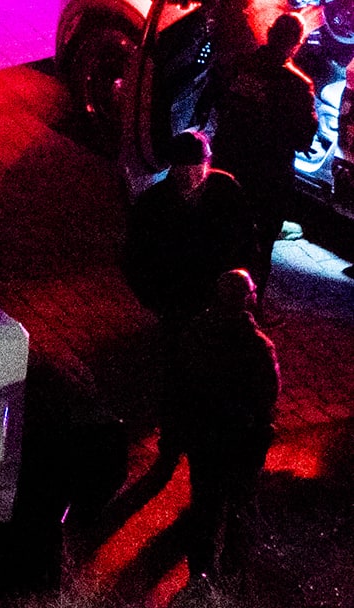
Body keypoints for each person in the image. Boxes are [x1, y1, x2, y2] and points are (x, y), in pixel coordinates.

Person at [122, 131, 259, 479]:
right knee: (176, 375)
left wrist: (241, 289)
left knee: (215, 376)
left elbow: (247, 241)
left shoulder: (226, 191)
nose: (190, 174)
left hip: (218, 304)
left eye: (196, 166)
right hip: (179, 305)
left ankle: (203, 442)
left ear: (207, 164)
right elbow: (135, 259)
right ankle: (170, 445)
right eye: (183, 167)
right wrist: (156, 299)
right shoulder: (153, 205)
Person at [172, 267, 280, 578]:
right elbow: (268, 396)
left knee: (204, 504)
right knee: (238, 507)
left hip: (204, 438)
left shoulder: (196, 332)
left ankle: (199, 572)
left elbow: (181, 381)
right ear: (248, 301)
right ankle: (233, 571)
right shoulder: (258, 347)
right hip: (239, 443)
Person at [212, 14, 320, 300]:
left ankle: (212, 296)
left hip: (229, 164)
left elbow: (218, 103)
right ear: (296, 45)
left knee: (223, 232)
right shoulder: (298, 85)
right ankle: (250, 306)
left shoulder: (239, 65)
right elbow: (303, 137)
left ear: (269, 33)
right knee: (261, 244)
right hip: (268, 176)